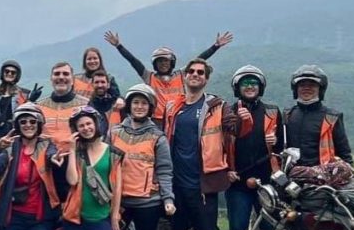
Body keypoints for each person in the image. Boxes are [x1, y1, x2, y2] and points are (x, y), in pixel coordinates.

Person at [157, 58, 253, 230]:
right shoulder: (173, 106)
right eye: (191, 71)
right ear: (185, 76)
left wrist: (243, 120)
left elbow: (235, 130)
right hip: (176, 182)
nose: (195, 74)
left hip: (204, 182)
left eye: (201, 72)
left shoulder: (217, 106)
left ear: (206, 78)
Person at [280, 64, 353, 230]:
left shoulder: (332, 117)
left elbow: (345, 155)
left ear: (321, 89)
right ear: (295, 88)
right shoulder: (288, 115)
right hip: (292, 184)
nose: (307, 88)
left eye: (312, 85)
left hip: (322, 187)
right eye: (302, 84)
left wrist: (335, 177)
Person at [109, 85, 176, 230]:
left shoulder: (158, 136)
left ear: (150, 107)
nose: (139, 107)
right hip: (120, 202)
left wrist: (168, 198)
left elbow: (164, 170)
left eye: (144, 103)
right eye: (135, 102)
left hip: (148, 201)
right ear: (129, 105)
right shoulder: (115, 132)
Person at [226, 65, 284, 230]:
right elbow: (219, 145)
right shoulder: (227, 112)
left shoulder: (272, 112)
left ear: (261, 87)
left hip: (266, 182)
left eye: (254, 83)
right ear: (237, 87)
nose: (249, 86)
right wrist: (226, 170)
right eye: (245, 83)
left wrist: (276, 141)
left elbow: (282, 148)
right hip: (238, 182)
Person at [104, 30, 234, 122]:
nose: (163, 64)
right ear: (155, 64)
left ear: (171, 62)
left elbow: (199, 59)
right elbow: (133, 61)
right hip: (156, 121)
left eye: (166, 61)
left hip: (178, 118)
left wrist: (215, 46)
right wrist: (119, 46)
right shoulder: (150, 77)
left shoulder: (181, 75)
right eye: (160, 61)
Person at [37, 62, 90, 151]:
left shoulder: (85, 105)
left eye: (65, 74)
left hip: (75, 155)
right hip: (44, 156)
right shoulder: (39, 106)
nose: (61, 77)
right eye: (57, 74)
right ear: (51, 79)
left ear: (72, 80)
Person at [0, 60, 42, 140]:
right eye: (7, 71)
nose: (9, 74)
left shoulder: (24, 93)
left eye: (13, 72)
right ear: (2, 73)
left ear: (17, 75)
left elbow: (28, 113)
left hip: (17, 132)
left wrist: (31, 100)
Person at [88, 69, 124, 139]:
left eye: (103, 82)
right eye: (97, 82)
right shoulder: (88, 107)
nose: (100, 85)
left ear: (108, 85)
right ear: (92, 85)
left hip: (116, 144)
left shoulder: (118, 105)